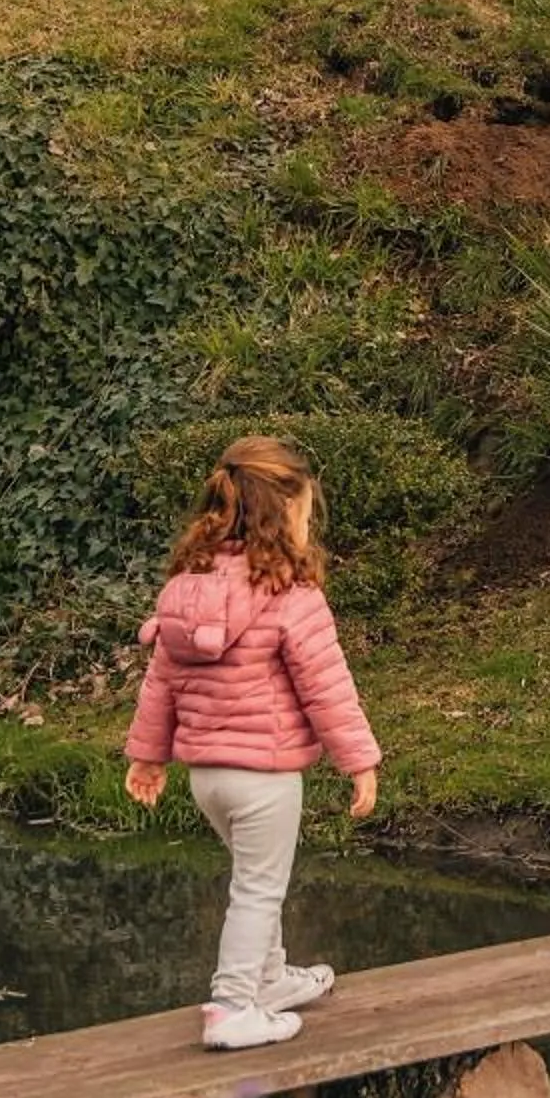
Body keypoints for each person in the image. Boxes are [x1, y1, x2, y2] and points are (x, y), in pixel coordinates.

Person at [124, 435, 381, 1049]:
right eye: (304, 507)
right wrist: (360, 761)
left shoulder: (189, 587)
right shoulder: (291, 594)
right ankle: (233, 1005)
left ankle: (268, 979)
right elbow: (327, 687)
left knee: (252, 878)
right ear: (286, 509)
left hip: (208, 775)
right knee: (259, 889)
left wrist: (147, 756)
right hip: (263, 775)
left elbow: (161, 681)